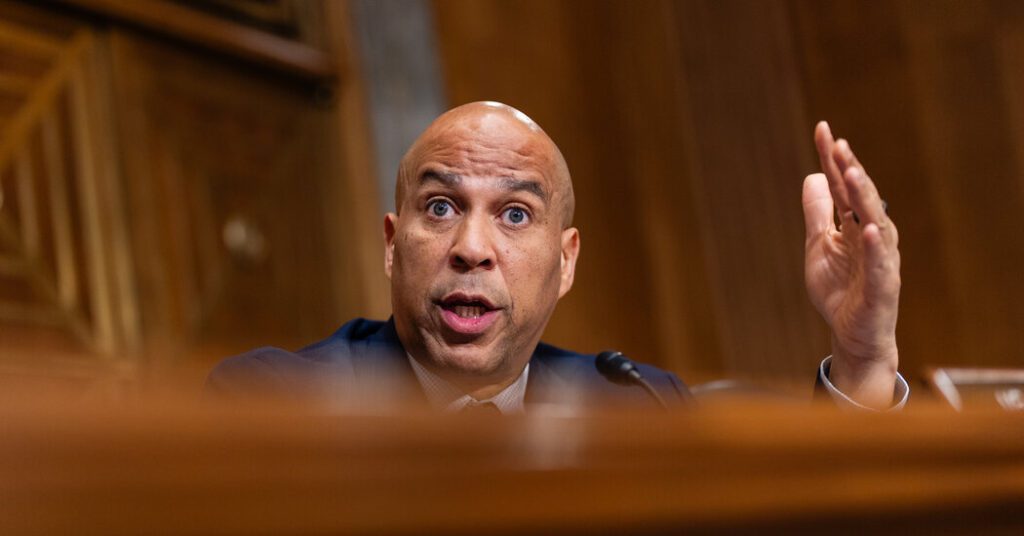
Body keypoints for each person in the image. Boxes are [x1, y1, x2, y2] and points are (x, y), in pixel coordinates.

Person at [207, 101, 908, 413]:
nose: (472, 250)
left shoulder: (634, 406)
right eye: (442, 207)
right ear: (394, 245)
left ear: (566, 262)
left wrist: (864, 357)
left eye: (516, 215)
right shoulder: (275, 404)